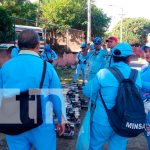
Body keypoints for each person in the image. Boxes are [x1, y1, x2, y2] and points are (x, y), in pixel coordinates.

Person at [0, 29, 66, 150]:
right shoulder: (47, 67)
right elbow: (56, 96)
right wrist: (61, 118)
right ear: (37, 45)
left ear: (18, 45)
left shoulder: (5, 67)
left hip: (13, 119)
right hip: (41, 121)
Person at [83, 42, 142, 150]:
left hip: (102, 120)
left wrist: (98, 97)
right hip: (124, 120)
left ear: (113, 57)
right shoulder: (136, 75)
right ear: (129, 58)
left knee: (94, 146)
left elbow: (87, 92)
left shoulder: (103, 73)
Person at [140, 43, 150, 150]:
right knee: (147, 134)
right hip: (144, 109)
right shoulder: (145, 67)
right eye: (146, 51)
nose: (147, 54)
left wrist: (138, 81)